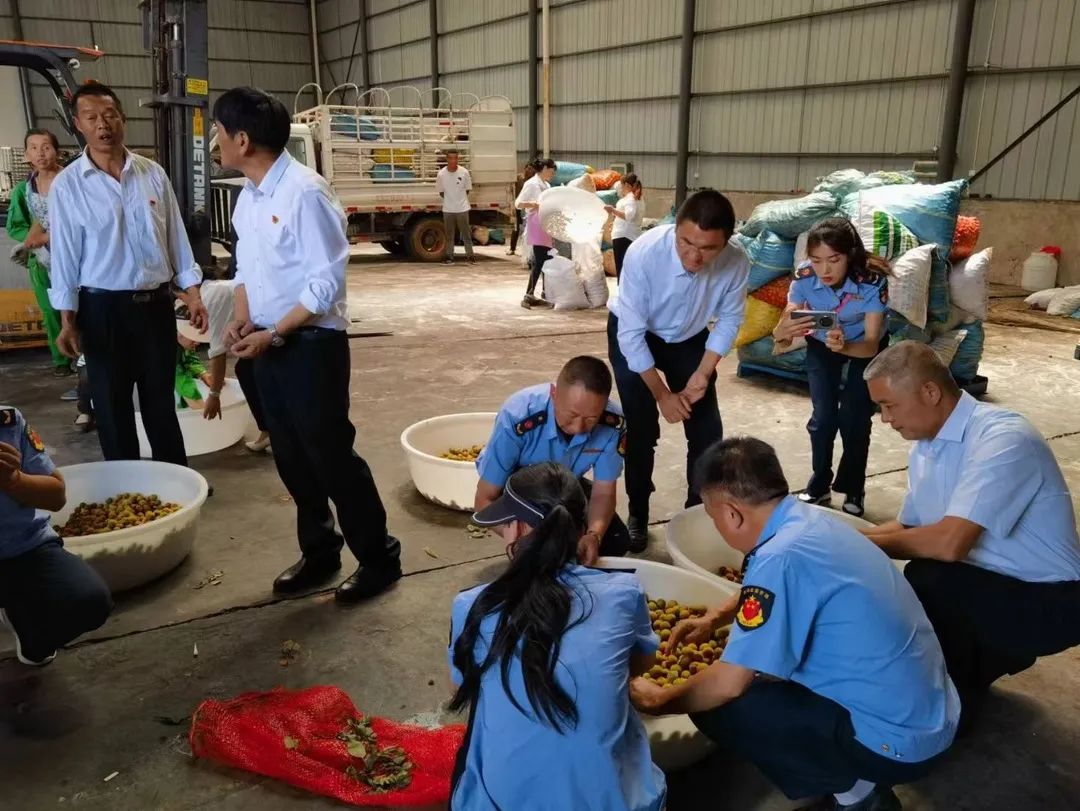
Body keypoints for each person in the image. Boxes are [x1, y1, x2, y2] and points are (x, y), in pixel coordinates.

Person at [630, 438, 958, 811]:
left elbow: (727, 683)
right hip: (932, 711)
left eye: (711, 514)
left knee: (720, 704)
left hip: (897, 744)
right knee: (758, 669)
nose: (716, 524)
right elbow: (782, 582)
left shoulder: (779, 558)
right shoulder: (808, 521)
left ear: (732, 514)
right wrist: (716, 616)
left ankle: (860, 795)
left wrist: (658, 701)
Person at [215, 86, 402, 602]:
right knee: (291, 457)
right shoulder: (249, 198)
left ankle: (379, 558)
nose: (216, 141)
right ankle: (321, 551)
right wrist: (243, 321)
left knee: (331, 457)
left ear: (242, 140)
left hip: (310, 347)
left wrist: (276, 332)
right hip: (265, 344)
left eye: (220, 132)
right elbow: (245, 271)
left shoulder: (305, 193)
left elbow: (325, 285)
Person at [861, 341, 1080, 722]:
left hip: (1053, 601)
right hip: (1000, 584)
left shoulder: (1003, 437)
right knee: (921, 574)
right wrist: (846, 540)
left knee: (930, 578)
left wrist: (859, 545)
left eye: (889, 405)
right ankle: (989, 658)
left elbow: (949, 544)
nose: (885, 419)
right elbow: (909, 525)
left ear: (930, 392)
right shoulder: (926, 446)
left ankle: (948, 712)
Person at [448, 462, 666, 811]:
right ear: (581, 529)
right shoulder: (624, 592)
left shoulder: (473, 605)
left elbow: (461, 686)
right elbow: (641, 664)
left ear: (517, 528)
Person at [47, 83, 207, 466]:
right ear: (79, 125)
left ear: (122, 118)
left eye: (109, 115)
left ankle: (175, 483)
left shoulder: (152, 174)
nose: (103, 125)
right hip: (102, 312)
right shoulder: (68, 186)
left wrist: (193, 293)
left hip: (154, 308)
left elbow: (176, 238)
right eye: (92, 118)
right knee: (112, 407)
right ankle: (124, 486)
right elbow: (65, 258)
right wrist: (67, 320)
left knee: (160, 404)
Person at [607, 189, 748, 548]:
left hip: (688, 337)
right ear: (676, 229)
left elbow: (730, 319)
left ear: (725, 242)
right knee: (641, 427)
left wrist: (703, 373)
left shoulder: (736, 261)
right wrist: (662, 395)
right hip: (636, 333)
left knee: (707, 431)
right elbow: (631, 336)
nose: (694, 256)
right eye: (686, 243)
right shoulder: (644, 253)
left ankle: (697, 513)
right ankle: (638, 511)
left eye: (708, 248)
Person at [773, 218, 888, 518]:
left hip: (862, 346)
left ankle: (854, 487)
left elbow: (872, 343)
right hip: (822, 343)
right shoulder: (804, 276)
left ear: (849, 255)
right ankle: (820, 482)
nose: (824, 269)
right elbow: (788, 319)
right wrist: (782, 331)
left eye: (834, 260)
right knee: (822, 418)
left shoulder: (871, 281)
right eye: (817, 260)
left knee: (855, 416)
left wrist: (846, 347)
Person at [473, 356, 636, 562]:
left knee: (614, 542)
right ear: (554, 394)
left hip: (564, 484)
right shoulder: (518, 416)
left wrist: (594, 535)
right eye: (572, 415)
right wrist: (521, 538)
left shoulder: (613, 424)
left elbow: (603, 492)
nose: (578, 427)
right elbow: (484, 500)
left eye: (591, 419)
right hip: (520, 487)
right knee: (545, 549)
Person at [0, 406, 112, 666]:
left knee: (90, 603)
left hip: (24, 547)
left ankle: (29, 633)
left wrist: (13, 480)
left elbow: (56, 496)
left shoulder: (7, 423)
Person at [5, 128, 70, 377]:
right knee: (51, 311)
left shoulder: (71, 181)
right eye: (33, 148)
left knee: (80, 309)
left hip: (74, 258)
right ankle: (62, 360)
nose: (40, 153)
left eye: (46, 147)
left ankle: (84, 358)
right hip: (42, 261)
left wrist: (45, 236)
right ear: (26, 155)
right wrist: (33, 241)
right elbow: (17, 226)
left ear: (57, 152)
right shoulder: (25, 190)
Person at [175, 283, 271, 452]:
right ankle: (269, 430)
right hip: (257, 319)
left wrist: (214, 394)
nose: (196, 342)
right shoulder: (187, 306)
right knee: (245, 369)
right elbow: (180, 373)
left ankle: (275, 431)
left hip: (271, 320)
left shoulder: (212, 301)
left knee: (256, 370)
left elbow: (218, 353)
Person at [516, 157, 556, 309]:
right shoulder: (532, 184)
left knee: (547, 259)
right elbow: (518, 203)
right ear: (544, 169)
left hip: (545, 224)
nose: (552, 173)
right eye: (551, 170)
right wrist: (533, 204)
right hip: (537, 223)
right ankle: (529, 294)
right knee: (540, 260)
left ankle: (545, 292)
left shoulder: (546, 184)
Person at [436, 148, 475, 266]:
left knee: (466, 233)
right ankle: (449, 256)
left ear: (458, 159)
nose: (453, 161)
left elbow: (467, 190)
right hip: (448, 209)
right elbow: (441, 192)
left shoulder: (464, 172)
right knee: (449, 235)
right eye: (451, 158)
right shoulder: (441, 174)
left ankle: (470, 256)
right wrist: (450, 200)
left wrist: (459, 200)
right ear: (447, 159)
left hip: (462, 208)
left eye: (455, 158)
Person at [605, 172, 643, 281]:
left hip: (623, 237)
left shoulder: (630, 198)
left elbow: (629, 216)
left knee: (621, 268)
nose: (621, 189)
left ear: (626, 185)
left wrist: (612, 210)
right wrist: (616, 221)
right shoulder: (638, 197)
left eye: (622, 186)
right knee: (627, 268)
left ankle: (622, 289)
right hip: (630, 235)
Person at [506, 162, 535, 257]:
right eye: (529, 168)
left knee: (530, 228)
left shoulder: (533, 181)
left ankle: (530, 250)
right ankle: (512, 248)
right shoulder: (518, 178)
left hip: (528, 206)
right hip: (518, 205)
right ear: (525, 168)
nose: (530, 171)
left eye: (532, 169)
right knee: (516, 227)